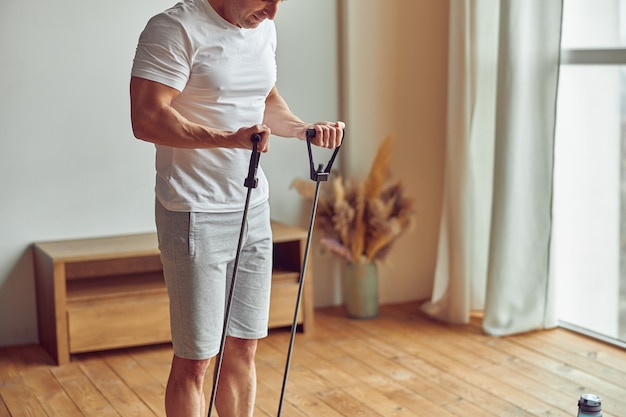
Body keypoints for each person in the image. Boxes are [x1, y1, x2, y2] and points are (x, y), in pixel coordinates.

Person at [129, 0, 344, 416]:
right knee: (196, 360)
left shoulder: (261, 28)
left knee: (243, 348)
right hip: (193, 211)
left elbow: (266, 100)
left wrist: (303, 130)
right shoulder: (175, 28)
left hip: (253, 207)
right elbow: (147, 117)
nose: (273, 11)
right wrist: (228, 138)